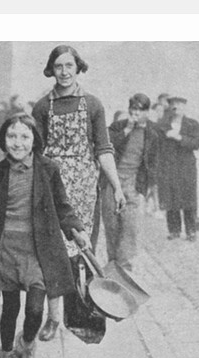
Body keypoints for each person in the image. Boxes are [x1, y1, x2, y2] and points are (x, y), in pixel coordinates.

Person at [0, 114, 90, 358]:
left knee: (35, 310)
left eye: (24, 136)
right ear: (3, 140)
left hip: (38, 250)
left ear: (35, 140)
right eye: (12, 136)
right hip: (6, 250)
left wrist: (77, 231)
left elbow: (63, 207)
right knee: (10, 309)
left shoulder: (48, 170)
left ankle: (26, 345)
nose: (18, 142)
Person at [31, 44, 126, 342]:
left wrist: (117, 186)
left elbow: (103, 149)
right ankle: (53, 317)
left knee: (83, 249)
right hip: (52, 187)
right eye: (58, 66)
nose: (64, 72)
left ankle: (83, 315)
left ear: (78, 67)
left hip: (85, 189)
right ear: (51, 70)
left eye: (69, 66)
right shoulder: (42, 107)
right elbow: (35, 153)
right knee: (52, 252)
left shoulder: (93, 105)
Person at [104, 93, 160, 271]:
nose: (135, 113)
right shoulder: (117, 127)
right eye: (133, 109)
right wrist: (126, 130)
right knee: (112, 226)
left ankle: (124, 267)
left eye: (140, 110)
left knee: (130, 228)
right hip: (112, 182)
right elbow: (106, 147)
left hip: (133, 184)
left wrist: (148, 188)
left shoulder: (152, 134)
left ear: (147, 112)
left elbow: (153, 163)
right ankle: (113, 265)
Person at [156, 96, 199, 241]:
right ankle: (174, 230)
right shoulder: (162, 125)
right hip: (169, 166)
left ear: (184, 107)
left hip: (186, 167)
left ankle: (191, 230)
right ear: (169, 107)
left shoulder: (192, 124)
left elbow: (196, 144)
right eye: (173, 104)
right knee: (171, 197)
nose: (176, 107)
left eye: (180, 104)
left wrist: (179, 137)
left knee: (189, 198)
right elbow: (157, 147)